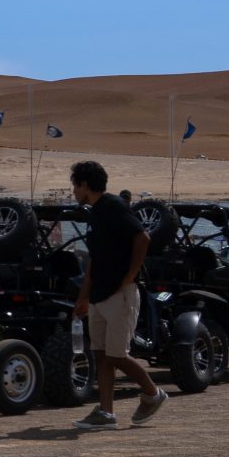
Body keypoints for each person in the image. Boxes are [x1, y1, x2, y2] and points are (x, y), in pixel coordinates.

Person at [70, 160, 168, 429]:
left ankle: (152, 393)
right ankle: (106, 412)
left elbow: (142, 238)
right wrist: (84, 296)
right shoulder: (95, 214)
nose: (73, 192)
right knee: (101, 354)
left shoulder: (113, 207)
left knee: (116, 355)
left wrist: (129, 277)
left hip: (120, 293)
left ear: (85, 185)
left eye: (75, 185)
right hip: (100, 294)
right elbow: (94, 259)